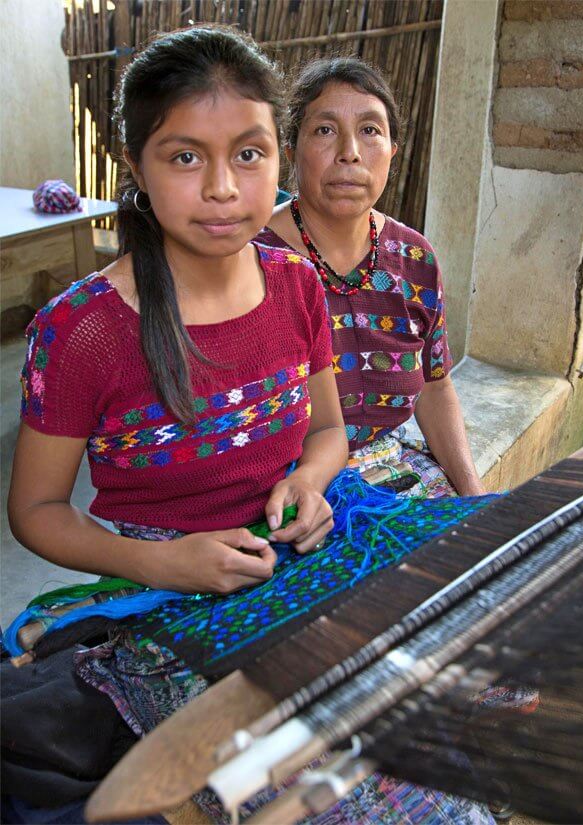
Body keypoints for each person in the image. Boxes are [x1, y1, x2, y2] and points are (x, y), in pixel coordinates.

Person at [2, 29, 493, 825]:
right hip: (170, 605)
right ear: (136, 166)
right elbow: (35, 511)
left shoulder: (295, 284)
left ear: (277, 159)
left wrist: (308, 481)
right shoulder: (80, 330)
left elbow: (327, 431)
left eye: (250, 154)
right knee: (343, 786)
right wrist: (164, 562)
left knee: (473, 686)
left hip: (308, 555)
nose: (225, 188)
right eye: (186, 157)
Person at [258, 57, 486, 501]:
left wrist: (473, 493)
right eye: (324, 130)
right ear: (290, 149)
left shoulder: (415, 259)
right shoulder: (253, 259)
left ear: (392, 151)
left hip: (391, 475)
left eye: (370, 130)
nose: (350, 152)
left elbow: (435, 386)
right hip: (280, 490)